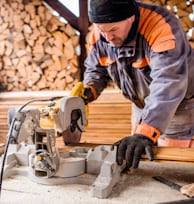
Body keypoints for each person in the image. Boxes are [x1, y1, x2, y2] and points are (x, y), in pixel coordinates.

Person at [83, 0, 194, 170]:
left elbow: (168, 83)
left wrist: (146, 132)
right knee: (140, 161)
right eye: (101, 29)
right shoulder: (101, 33)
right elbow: (96, 69)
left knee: (174, 168)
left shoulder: (160, 26)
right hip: (140, 106)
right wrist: (87, 90)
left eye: (113, 29)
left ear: (132, 18)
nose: (108, 38)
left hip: (178, 107)